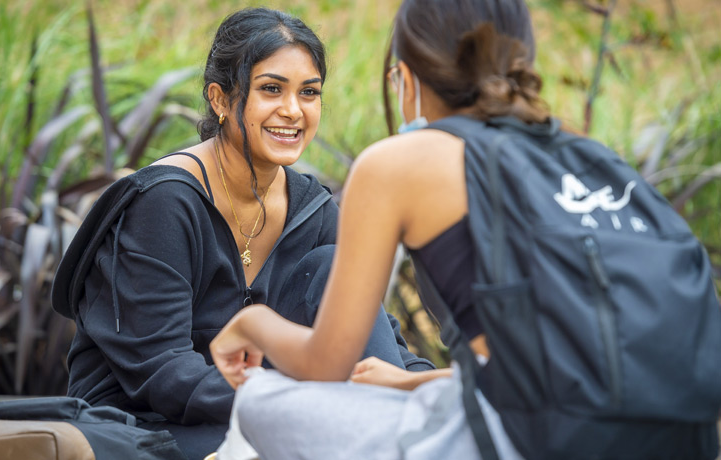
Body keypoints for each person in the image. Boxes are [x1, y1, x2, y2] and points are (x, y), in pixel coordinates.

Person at [208, 1, 719, 460]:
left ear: (406, 77)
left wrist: (252, 326)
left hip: (541, 440)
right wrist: (410, 384)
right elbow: (581, 368)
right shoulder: (590, 157)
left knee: (261, 402)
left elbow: (326, 360)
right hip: (683, 438)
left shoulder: (400, 161)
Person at [51, 8, 432, 460]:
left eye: (309, 93)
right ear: (220, 98)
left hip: (264, 409)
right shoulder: (165, 203)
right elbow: (163, 372)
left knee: (332, 269)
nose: (293, 111)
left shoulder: (311, 208)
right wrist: (299, 405)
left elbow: (370, 330)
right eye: (272, 89)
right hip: (147, 425)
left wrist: (425, 393)